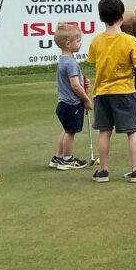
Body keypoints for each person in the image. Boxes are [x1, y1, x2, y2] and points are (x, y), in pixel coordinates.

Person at [87, 0, 136, 183]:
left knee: (104, 131)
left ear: (101, 17)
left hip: (101, 92)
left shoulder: (96, 41)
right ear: (121, 17)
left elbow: (93, 61)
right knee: (132, 131)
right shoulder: (129, 40)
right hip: (124, 91)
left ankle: (103, 171)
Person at [48, 22, 93, 170]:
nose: (80, 43)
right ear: (68, 43)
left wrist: (82, 82)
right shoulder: (71, 62)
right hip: (71, 104)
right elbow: (74, 85)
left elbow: (75, 82)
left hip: (62, 104)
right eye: (78, 40)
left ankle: (59, 157)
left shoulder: (63, 60)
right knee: (70, 132)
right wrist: (86, 100)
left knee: (67, 130)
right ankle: (67, 159)